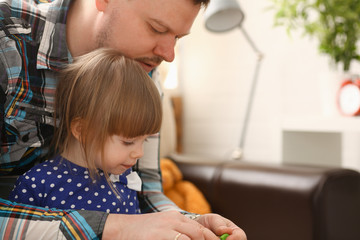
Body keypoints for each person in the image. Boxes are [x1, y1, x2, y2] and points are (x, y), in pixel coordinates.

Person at [0, 0, 247, 239]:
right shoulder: (6, 38)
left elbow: (146, 191)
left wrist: (189, 224)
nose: (169, 54)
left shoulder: (143, 70)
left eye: (178, 38)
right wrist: (115, 228)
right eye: (157, 28)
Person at [8, 48, 162, 215]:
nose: (139, 153)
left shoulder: (124, 177)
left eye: (144, 140)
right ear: (82, 130)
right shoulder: (38, 184)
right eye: (128, 142)